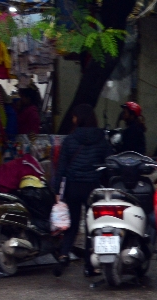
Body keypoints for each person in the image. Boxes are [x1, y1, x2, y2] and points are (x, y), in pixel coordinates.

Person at [52, 104, 111, 277]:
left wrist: (57, 191)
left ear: (79, 118)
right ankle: (89, 265)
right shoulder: (101, 139)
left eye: (74, 116)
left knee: (73, 225)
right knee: (91, 226)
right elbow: (108, 164)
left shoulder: (70, 140)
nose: (73, 119)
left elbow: (61, 167)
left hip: (73, 186)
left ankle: (63, 255)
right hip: (92, 187)